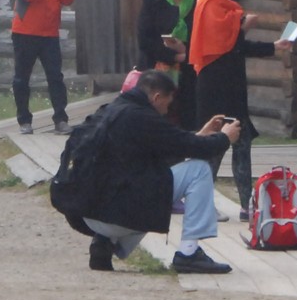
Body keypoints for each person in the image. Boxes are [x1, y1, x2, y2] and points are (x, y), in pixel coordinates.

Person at [79, 70, 238, 275]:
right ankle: (188, 254)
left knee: (137, 182)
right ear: (156, 97)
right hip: (119, 216)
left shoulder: (112, 110)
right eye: (167, 104)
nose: (166, 111)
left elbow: (169, 146)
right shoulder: (143, 117)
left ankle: (104, 242)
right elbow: (193, 149)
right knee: (198, 170)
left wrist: (200, 135)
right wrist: (224, 138)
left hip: (91, 214)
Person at [188, 0, 292, 210]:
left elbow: (236, 46)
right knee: (215, 146)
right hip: (216, 88)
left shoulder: (222, 6)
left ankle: (247, 204)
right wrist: (242, 24)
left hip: (232, 86)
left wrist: (273, 46)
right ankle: (202, 203)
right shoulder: (209, 4)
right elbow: (223, 42)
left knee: (241, 145)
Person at [10, 0, 75, 136]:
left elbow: (66, 0)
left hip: (49, 32)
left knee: (55, 77)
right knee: (22, 78)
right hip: (25, 30)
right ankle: (24, 121)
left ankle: (61, 119)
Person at [133, 0, 199, 130]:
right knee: (156, 121)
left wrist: (186, 52)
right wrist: (174, 56)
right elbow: (145, 40)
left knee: (186, 121)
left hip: (189, 72)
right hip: (157, 72)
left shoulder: (198, 2)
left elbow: (203, 37)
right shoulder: (151, 2)